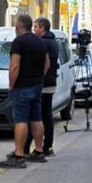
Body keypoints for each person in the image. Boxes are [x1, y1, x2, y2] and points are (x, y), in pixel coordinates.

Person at [1, 13, 49, 169]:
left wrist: (11, 84)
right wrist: (39, 77)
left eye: (16, 25)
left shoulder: (18, 42)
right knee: (36, 118)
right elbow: (47, 63)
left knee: (20, 120)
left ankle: (19, 154)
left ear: (20, 26)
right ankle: (39, 151)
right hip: (37, 85)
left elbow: (14, 66)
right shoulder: (40, 42)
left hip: (22, 86)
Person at [26, 16, 59, 156]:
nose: (34, 30)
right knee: (47, 115)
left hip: (43, 83)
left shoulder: (43, 43)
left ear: (43, 28)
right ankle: (48, 146)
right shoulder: (53, 42)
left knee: (36, 116)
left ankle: (29, 146)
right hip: (50, 82)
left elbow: (44, 64)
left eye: (36, 27)